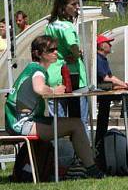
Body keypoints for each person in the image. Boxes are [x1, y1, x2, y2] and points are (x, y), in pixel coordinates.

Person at [4, 36, 103, 178]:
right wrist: (53, 91)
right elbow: (38, 88)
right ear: (38, 54)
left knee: (75, 123)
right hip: (22, 124)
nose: (55, 52)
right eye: (51, 50)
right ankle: (93, 170)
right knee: (76, 125)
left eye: (56, 49)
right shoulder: (38, 70)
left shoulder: (31, 69)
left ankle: (87, 167)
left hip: (19, 121)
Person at [45, 0, 89, 134]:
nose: (77, 7)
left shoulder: (51, 25)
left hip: (53, 74)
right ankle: (83, 153)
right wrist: (77, 54)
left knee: (57, 121)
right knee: (80, 121)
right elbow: (73, 45)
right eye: (74, 4)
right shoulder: (67, 26)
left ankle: (60, 153)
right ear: (63, 7)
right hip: (72, 75)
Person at [95, 34, 128, 155]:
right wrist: (124, 85)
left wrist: (124, 84)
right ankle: (126, 115)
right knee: (125, 95)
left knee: (104, 117)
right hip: (100, 91)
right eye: (108, 43)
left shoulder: (103, 59)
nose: (110, 45)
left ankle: (101, 141)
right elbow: (107, 78)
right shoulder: (98, 58)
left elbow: (111, 77)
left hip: (105, 89)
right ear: (102, 46)